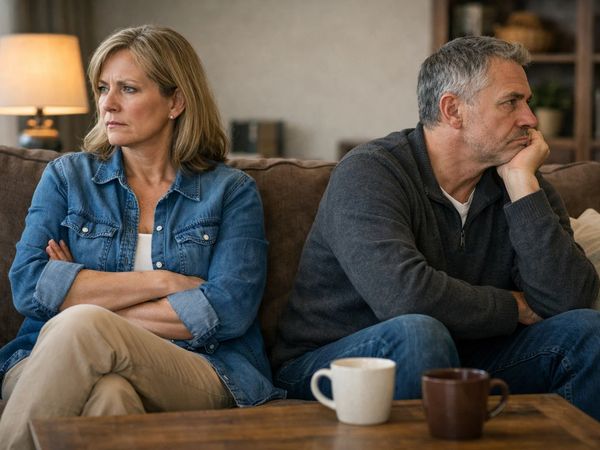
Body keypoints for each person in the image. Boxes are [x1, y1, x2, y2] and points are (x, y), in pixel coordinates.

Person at [273, 36, 600, 419]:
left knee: (588, 332)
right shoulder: (370, 172)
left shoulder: (520, 178)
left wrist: (523, 189)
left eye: (527, 102)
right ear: (452, 110)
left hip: (466, 354)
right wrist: (512, 306)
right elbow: (403, 297)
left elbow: (569, 301)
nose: (530, 119)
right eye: (511, 102)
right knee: (418, 335)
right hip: (343, 360)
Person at [0, 25, 284, 450]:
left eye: (128, 89)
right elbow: (28, 286)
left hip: (196, 365)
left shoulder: (231, 192)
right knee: (111, 394)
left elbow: (228, 310)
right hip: (46, 359)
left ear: (176, 102)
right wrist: (163, 282)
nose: (108, 104)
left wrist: (81, 299)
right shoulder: (67, 177)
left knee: (82, 323)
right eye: (103, 88)